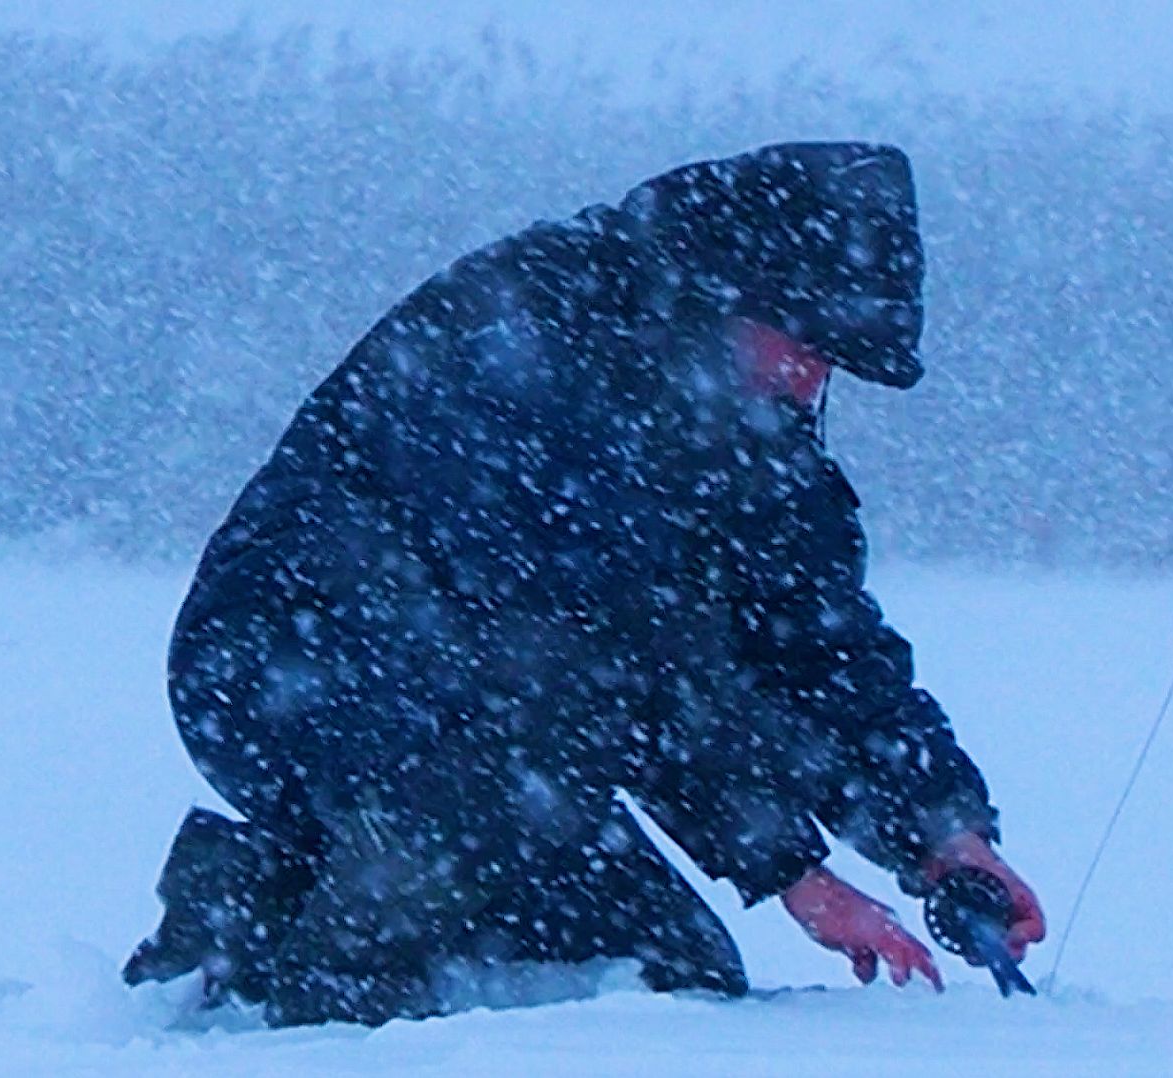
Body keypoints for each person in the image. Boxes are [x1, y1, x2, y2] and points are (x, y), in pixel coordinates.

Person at [122, 142, 1045, 1027]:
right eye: (802, 346)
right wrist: (796, 873)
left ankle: (247, 911)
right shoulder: (535, 339)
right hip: (292, 662)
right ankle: (320, 993)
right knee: (474, 834)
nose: (811, 381)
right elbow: (614, 652)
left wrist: (945, 836)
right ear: (728, 295)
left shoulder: (745, 418)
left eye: (831, 363)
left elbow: (817, 642)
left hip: (512, 720)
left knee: (665, 973)